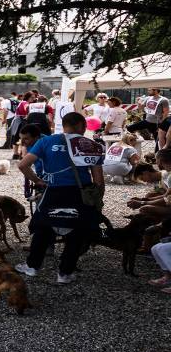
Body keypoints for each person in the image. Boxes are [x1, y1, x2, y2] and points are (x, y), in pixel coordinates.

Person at [17, 112, 105, 284]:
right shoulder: (92, 145)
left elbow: (23, 165)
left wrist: (38, 181)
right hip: (80, 193)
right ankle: (65, 273)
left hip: (53, 191)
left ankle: (32, 267)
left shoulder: (46, 141)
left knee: (44, 228)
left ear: (63, 125)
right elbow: (99, 181)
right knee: (77, 231)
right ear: (82, 126)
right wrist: (97, 200)